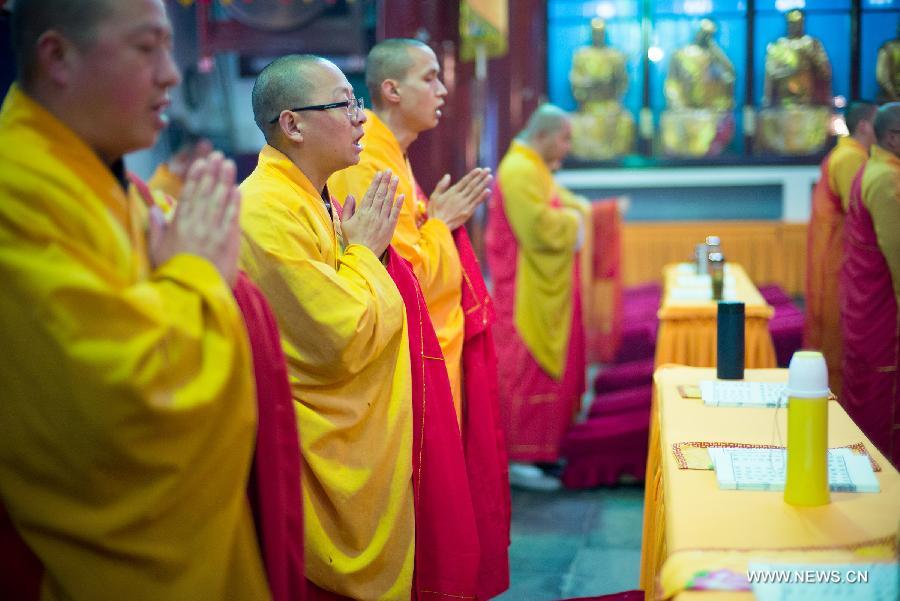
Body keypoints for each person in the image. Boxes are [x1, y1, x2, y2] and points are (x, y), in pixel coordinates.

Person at [0, 1, 271, 598]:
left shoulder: (95, 178)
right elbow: (126, 401)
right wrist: (197, 276)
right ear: (57, 58)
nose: (172, 73)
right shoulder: (19, 191)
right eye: (147, 48)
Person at [241, 54, 481, 600]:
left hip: (356, 429)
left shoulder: (312, 199)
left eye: (357, 102)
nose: (359, 118)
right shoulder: (265, 211)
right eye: (344, 103)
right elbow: (340, 337)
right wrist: (367, 255)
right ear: (293, 124)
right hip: (314, 445)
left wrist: (364, 255)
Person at [327, 38, 510, 600]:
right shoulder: (367, 165)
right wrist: (443, 222)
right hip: (398, 359)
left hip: (429, 344)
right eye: (430, 78)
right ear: (391, 89)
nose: (442, 90)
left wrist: (438, 221)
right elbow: (404, 277)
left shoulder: (393, 155)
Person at [487, 104, 586, 491]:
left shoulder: (534, 167)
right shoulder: (519, 170)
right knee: (525, 368)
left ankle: (542, 453)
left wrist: (580, 212)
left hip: (538, 286)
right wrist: (578, 220)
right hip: (524, 291)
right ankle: (523, 456)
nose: (568, 146)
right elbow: (539, 227)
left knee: (541, 369)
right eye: (564, 138)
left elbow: (561, 202)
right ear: (543, 135)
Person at [840, 102, 900, 470]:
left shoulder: (877, 169)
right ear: (893, 138)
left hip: (868, 303)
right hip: (882, 309)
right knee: (883, 398)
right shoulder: (884, 179)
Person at [803, 102, 877, 395]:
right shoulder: (849, 158)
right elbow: (859, 211)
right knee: (836, 335)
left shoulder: (851, 155)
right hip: (840, 259)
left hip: (836, 256)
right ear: (863, 127)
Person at [567, 18, 634, 159]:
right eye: (595, 32)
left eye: (600, 32)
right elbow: (575, 80)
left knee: (625, 121)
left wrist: (609, 87)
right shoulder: (582, 55)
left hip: (611, 104)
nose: (598, 35)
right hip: (588, 106)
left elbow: (622, 82)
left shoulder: (615, 55)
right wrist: (590, 83)